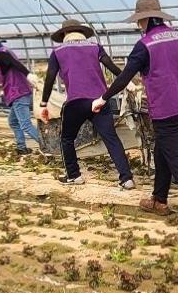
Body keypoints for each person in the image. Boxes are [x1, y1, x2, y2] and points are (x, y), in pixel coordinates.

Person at [96, 0, 178, 224]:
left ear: (143, 19)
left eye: (138, 21)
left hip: (165, 112)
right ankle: (159, 200)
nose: (137, 25)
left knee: (176, 160)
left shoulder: (145, 46)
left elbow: (124, 77)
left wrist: (103, 98)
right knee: (162, 153)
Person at [39, 18, 135, 188]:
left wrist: (43, 103)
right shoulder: (94, 47)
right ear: (82, 33)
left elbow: (50, 78)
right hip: (100, 100)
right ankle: (126, 178)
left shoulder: (58, 51)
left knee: (67, 138)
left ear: (64, 35)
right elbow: (110, 65)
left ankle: (74, 176)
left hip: (76, 102)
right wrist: (128, 81)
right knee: (111, 138)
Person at [0, 32, 43, 155]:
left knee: (25, 124)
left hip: (17, 92)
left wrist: (28, 74)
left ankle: (49, 146)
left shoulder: (1, 53)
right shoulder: (2, 52)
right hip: (18, 92)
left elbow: (15, 64)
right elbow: (12, 65)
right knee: (13, 122)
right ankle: (21, 147)